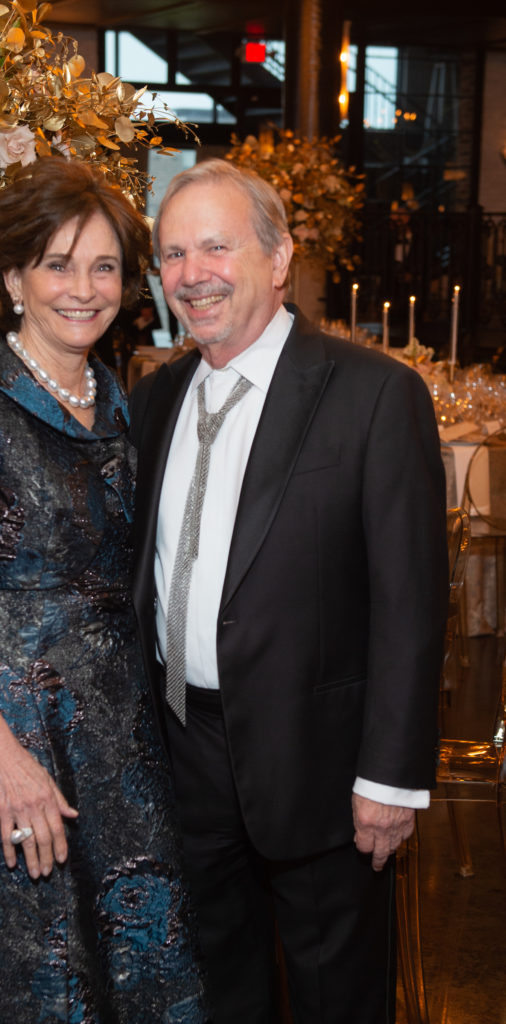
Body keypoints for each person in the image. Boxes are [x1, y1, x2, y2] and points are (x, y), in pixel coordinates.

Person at [0, 157, 209, 1024]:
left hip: (118, 750)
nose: (84, 289)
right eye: (58, 264)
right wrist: (4, 761)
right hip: (4, 745)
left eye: (104, 267)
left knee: (122, 973)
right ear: (12, 278)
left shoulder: (118, 397)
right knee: (12, 975)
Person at [129, 158, 448, 1024]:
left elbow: (412, 605)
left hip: (323, 767)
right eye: (172, 254)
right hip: (183, 750)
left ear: (278, 259)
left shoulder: (374, 394)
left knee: (335, 999)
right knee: (218, 994)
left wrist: (390, 778)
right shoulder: (154, 400)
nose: (192, 274)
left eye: (215, 247)